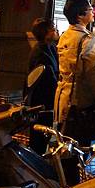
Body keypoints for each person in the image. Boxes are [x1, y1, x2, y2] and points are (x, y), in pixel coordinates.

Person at [54, 0, 95, 183]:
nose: (93, 12)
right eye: (90, 10)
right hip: (80, 101)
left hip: (62, 99)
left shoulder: (64, 37)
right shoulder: (87, 39)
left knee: (65, 145)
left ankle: (64, 183)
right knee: (79, 148)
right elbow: (93, 73)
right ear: (80, 15)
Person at [27, 18, 59, 154]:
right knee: (39, 137)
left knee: (44, 136)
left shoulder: (49, 47)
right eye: (53, 29)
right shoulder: (40, 53)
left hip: (47, 101)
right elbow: (47, 80)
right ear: (46, 34)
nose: (56, 31)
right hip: (41, 102)